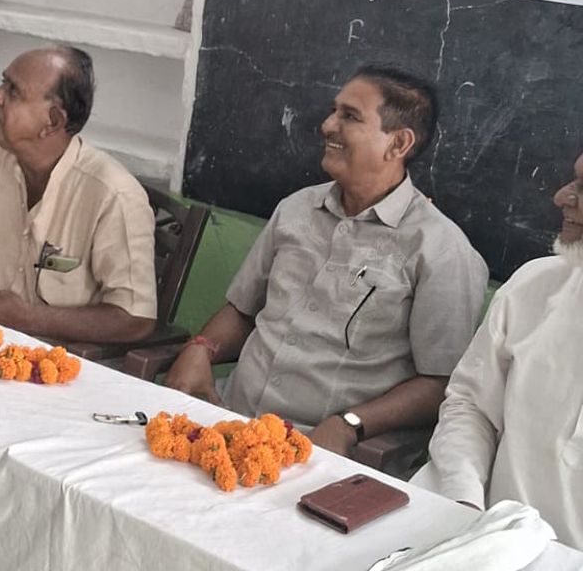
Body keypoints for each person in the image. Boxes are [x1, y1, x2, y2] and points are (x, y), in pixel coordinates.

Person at [165, 65, 488, 473]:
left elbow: (440, 383)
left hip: (318, 452)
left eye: (349, 116)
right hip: (226, 419)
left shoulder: (440, 249)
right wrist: (201, 348)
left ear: (398, 143)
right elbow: (243, 311)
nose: (327, 126)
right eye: (334, 111)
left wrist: (350, 424)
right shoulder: (297, 209)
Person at [0, 46, 158, 344]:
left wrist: (31, 319)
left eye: (13, 91)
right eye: (3, 83)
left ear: (53, 121)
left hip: (59, 360)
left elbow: (134, 318)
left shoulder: (114, 194)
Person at [412, 153, 583, 547]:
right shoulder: (533, 286)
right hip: (482, 539)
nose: (560, 197)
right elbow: (471, 406)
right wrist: (464, 499)